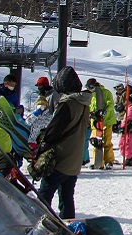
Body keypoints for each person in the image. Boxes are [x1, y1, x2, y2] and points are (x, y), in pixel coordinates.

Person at [36, 66, 91, 218]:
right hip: (75, 159)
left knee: (44, 194)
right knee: (67, 197)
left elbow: (55, 129)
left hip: (61, 158)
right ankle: (68, 224)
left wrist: (42, 144)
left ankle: (37, 222)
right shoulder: (84, 103)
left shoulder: (68, 104)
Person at [87, 79, 116, 169]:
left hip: (106, 121)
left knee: (107, 141)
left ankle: (109, 161)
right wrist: (90, 113)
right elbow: (87, 106)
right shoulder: (90, 95)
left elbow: (110, 104)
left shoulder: (105, 93)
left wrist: (105, 111)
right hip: (96, 123)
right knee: (96, 142)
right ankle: (98, 161)